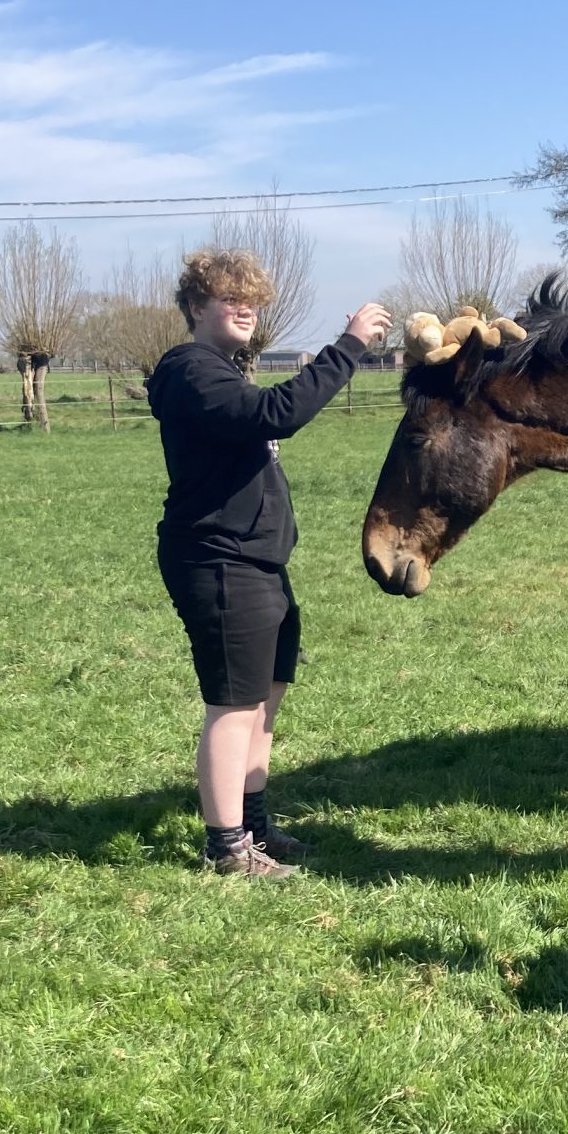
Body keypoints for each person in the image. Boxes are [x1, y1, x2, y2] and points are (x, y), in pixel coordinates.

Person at [149, 250, 390, 878]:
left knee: (263, 698)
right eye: (229, 297)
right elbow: (277, 412)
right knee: (232, 703)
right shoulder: (189, 369)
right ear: (196, 309)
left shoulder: (220, 371)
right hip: (219, 559)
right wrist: (349, 347)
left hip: (257, 561)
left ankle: (253, 825)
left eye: (252, 297)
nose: (246, 307)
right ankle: (226, 847)